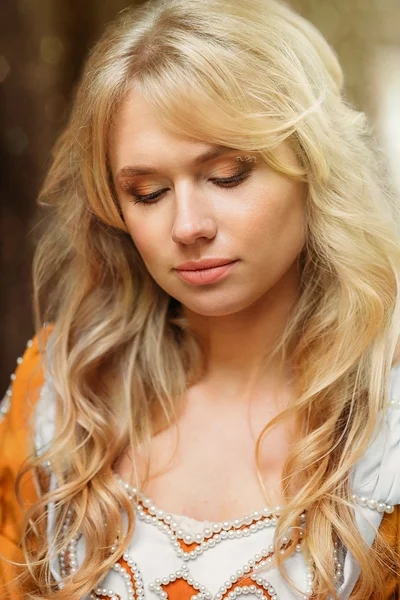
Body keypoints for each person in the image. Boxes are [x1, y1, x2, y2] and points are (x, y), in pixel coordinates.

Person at [1, 0, 400, 598]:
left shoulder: (386, 424)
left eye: (227, 175)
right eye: (148, 191)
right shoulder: (66, 389)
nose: (188, 226)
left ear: (315, 166)